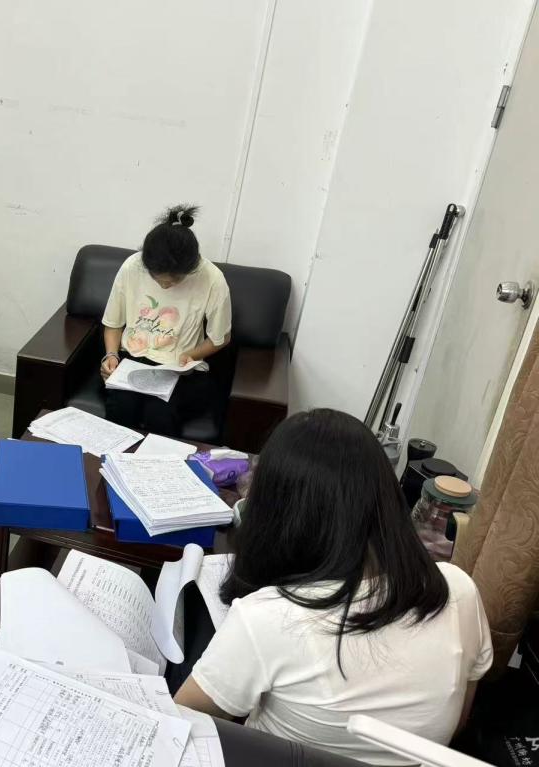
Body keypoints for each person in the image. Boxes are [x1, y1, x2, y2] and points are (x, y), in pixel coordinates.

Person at [174, 409, 493, 765]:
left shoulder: (267, 618)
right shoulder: (458, 589)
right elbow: (458, 720)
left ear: (275, 516)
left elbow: (180, 725)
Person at [100, 204, 232, 436]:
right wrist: (111, 355)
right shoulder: (132, 267)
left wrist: (192, 355)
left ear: (190, 268)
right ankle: (111, 457)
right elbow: (113, 323)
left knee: (159, 413)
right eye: (157, 278)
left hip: (179, 369)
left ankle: (158, 460)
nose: (164, 286)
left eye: (173, 281)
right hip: (132, 360)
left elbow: (221, 337)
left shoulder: (212, 279)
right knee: (121, 407)